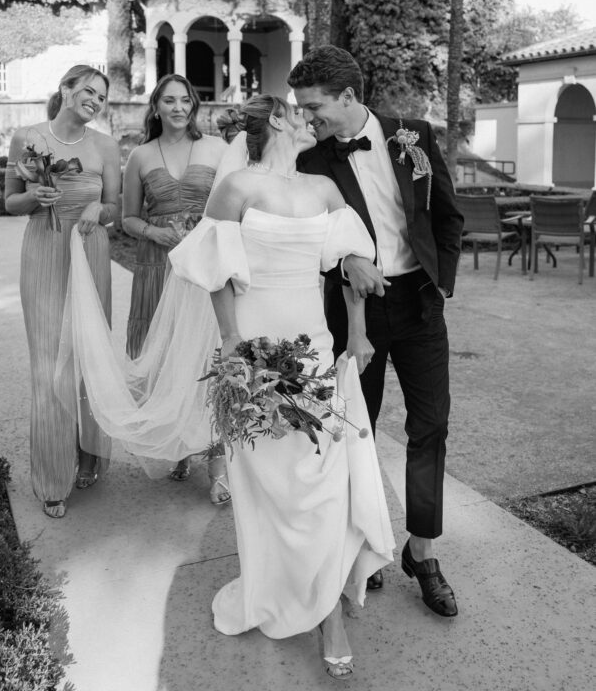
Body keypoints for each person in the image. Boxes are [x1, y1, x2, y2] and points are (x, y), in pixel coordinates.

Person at [169, 95, 395, 681]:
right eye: (299, 110)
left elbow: (351, 261)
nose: (308, 117)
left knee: (320, 478)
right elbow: (217, 272)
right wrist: (229, 346)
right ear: (275, 121)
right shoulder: (237, 187)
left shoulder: (323, 189)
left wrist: (359, 336)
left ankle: (327, 614)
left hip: (313, 343)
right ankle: (283, 584)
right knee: (270, 483)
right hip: (255, 342)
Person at [288, 45, 463, 617]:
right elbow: (306, 244)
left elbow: (446, 214)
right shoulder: (310, 162)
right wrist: (343, 264)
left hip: (417, 303)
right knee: (352, 430)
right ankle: (362, 545)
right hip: (352, 314)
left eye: (315, 107)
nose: (308, 118)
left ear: (348, 96)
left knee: (430, 426)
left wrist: (441, 285)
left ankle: (423, 550)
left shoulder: (413, 135)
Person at [4, 64, 120, 519]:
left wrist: (97, 206)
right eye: (88, 91)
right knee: (48, 362)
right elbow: (9, 201)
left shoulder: (107, 146)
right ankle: (53, 475)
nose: (94, 100)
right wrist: (35, 198)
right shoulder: (28, 137)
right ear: (66, 90)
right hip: (45, 250)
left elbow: (115, 207)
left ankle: (91, 455)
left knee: (90, 359)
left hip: (90, 251)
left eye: (102, 96)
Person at [122, 74, 229, 501]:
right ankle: (180, 445)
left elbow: (234, 206)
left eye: (186, 100)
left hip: (203, 270)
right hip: (157, 266)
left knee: (211, 360)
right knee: (166, 357)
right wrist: (153, 231)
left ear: (195, 106)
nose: (179, 108)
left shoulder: (216, 149)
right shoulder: (140, 156)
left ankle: (218, 465)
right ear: (156, 107)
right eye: (169, 101)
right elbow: (127, 218)